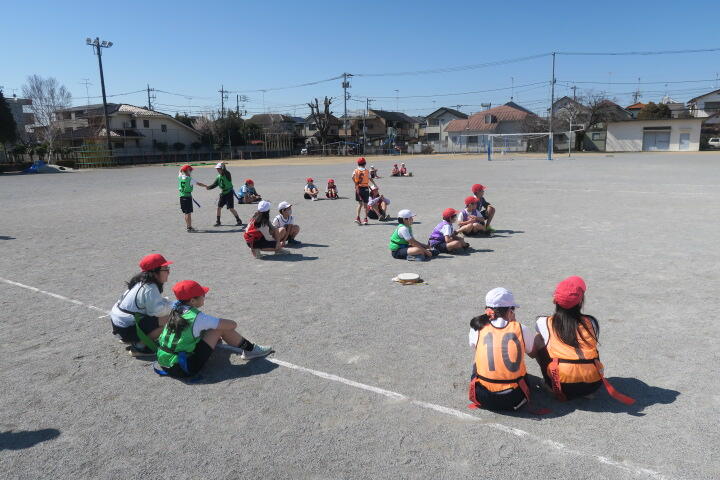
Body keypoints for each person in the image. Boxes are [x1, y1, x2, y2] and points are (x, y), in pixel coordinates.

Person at [533, 276, 635, 404]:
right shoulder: (591, 322)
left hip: (561, 384)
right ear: (581, 302)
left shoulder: (543, 322)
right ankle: (585, 390)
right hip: (593, 384)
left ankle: (550, 384)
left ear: (554, 300)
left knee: (538, 339)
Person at [155, 280, 273, 378]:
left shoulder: (175, 307)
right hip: (183, 367)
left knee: (207, 329)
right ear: (192, 301)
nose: (204, 297)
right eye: (202, 295)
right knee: (219, 329)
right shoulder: (197, 317)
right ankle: (251, 350)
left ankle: (249, 349)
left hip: (164, 361)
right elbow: (232, 325)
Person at [468, 288, 537, 411]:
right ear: (510, 311)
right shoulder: (521, 328)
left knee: (477, 358)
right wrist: (514, 325)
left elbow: (476, 350)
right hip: (514, 397)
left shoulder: (477, 328)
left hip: (482, 396)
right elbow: (533, 353)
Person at [110, 254, 174, 356]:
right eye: (165, 269)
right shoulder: (150, 288)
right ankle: (139, 347)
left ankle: (132, 339)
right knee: (172, 320)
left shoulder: (141, 282)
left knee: (163, 314)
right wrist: (175, 306)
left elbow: (154, 304)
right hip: (126, 329)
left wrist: (169, 303)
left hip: (119, 327)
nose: (168, 272)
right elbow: (158, 311)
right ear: (155, 272)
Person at [206, 162, 242, 227]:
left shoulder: (227, 174)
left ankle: (238, 220)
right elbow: (215, 184)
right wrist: (209, 187)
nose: (217, 170)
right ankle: (218, 222)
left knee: (231, 208)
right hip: (223, 193)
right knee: (219, 207)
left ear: (222, 169)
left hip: (229, 193)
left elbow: (225, 171)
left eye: (219, 169)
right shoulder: (218, 177)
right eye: (217, 169)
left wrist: (223, 166)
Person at [178, 165, 207, 232]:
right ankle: (189, 228)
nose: (191, 172)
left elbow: (180, 171)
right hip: (187, 197)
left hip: (181, 197)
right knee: (188, 213)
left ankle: (188, 226)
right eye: (190, 170)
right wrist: (205, 186)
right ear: (187, 171)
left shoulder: (180, 177)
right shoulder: (189, 179)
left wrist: (182, 168)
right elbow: (198, 184)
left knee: (186, 213)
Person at [351, 157, 376, 225]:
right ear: (365, 163)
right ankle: (365, 219)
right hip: (365, 188)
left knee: (360, 204)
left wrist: (356, 183)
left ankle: (358, 218)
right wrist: (375, 184)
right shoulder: (367, 171)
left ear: (358, 163)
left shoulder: (355, 170)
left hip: (358, 188)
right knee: (365, 205)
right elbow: (370, 179)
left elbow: (352, 177)